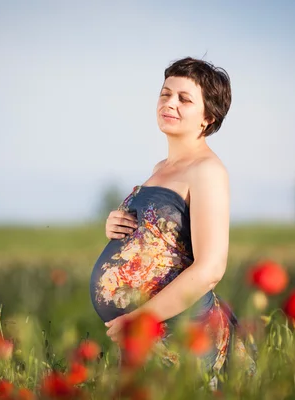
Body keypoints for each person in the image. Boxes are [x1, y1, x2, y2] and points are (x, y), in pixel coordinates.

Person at [90, 57, 254, 381]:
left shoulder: (207, 171)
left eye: (184, 99)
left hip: (184, 337)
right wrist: (116, 228)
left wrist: (141, 319)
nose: (170, 103)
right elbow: (162, 235)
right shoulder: (159, 169)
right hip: (147, 338)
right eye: (165, 94)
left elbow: (210, 269)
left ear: (207, 117)